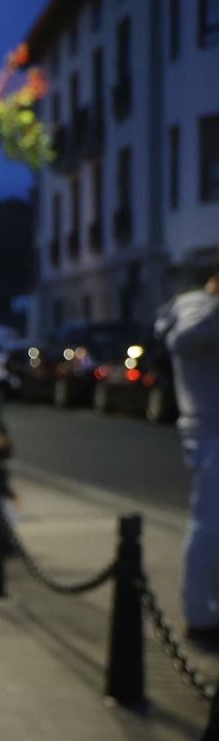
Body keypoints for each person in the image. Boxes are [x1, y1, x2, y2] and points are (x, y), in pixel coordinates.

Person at [157, 269, 219, 647]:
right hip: (210, 432)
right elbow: (185, 341)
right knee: (209, 525)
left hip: (209, 430)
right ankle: (201, 614)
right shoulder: (196, 307)